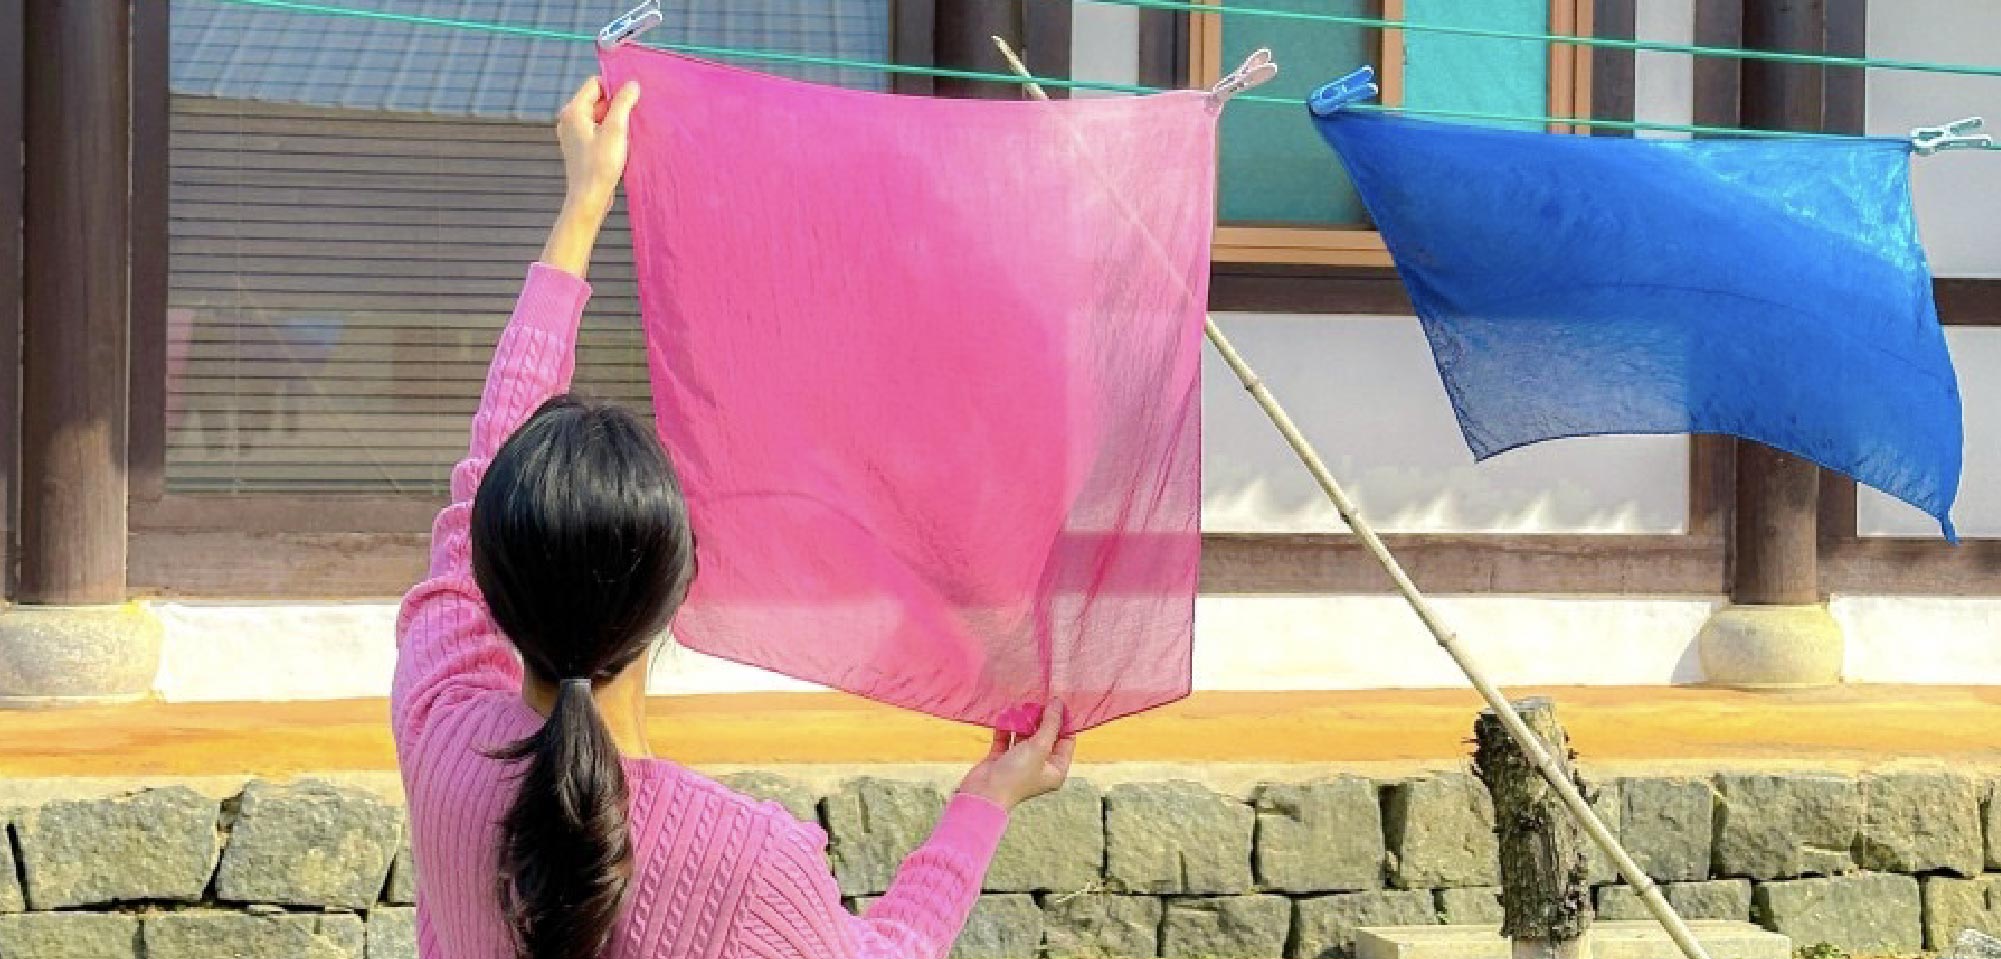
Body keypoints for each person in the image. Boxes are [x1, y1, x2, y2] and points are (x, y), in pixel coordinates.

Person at [393, 76, 1076, 959]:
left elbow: (485, 468)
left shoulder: (439, 732)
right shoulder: (748, 863)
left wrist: (582, 205)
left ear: (492, 581)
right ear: (677, 588)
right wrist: (983, 802)